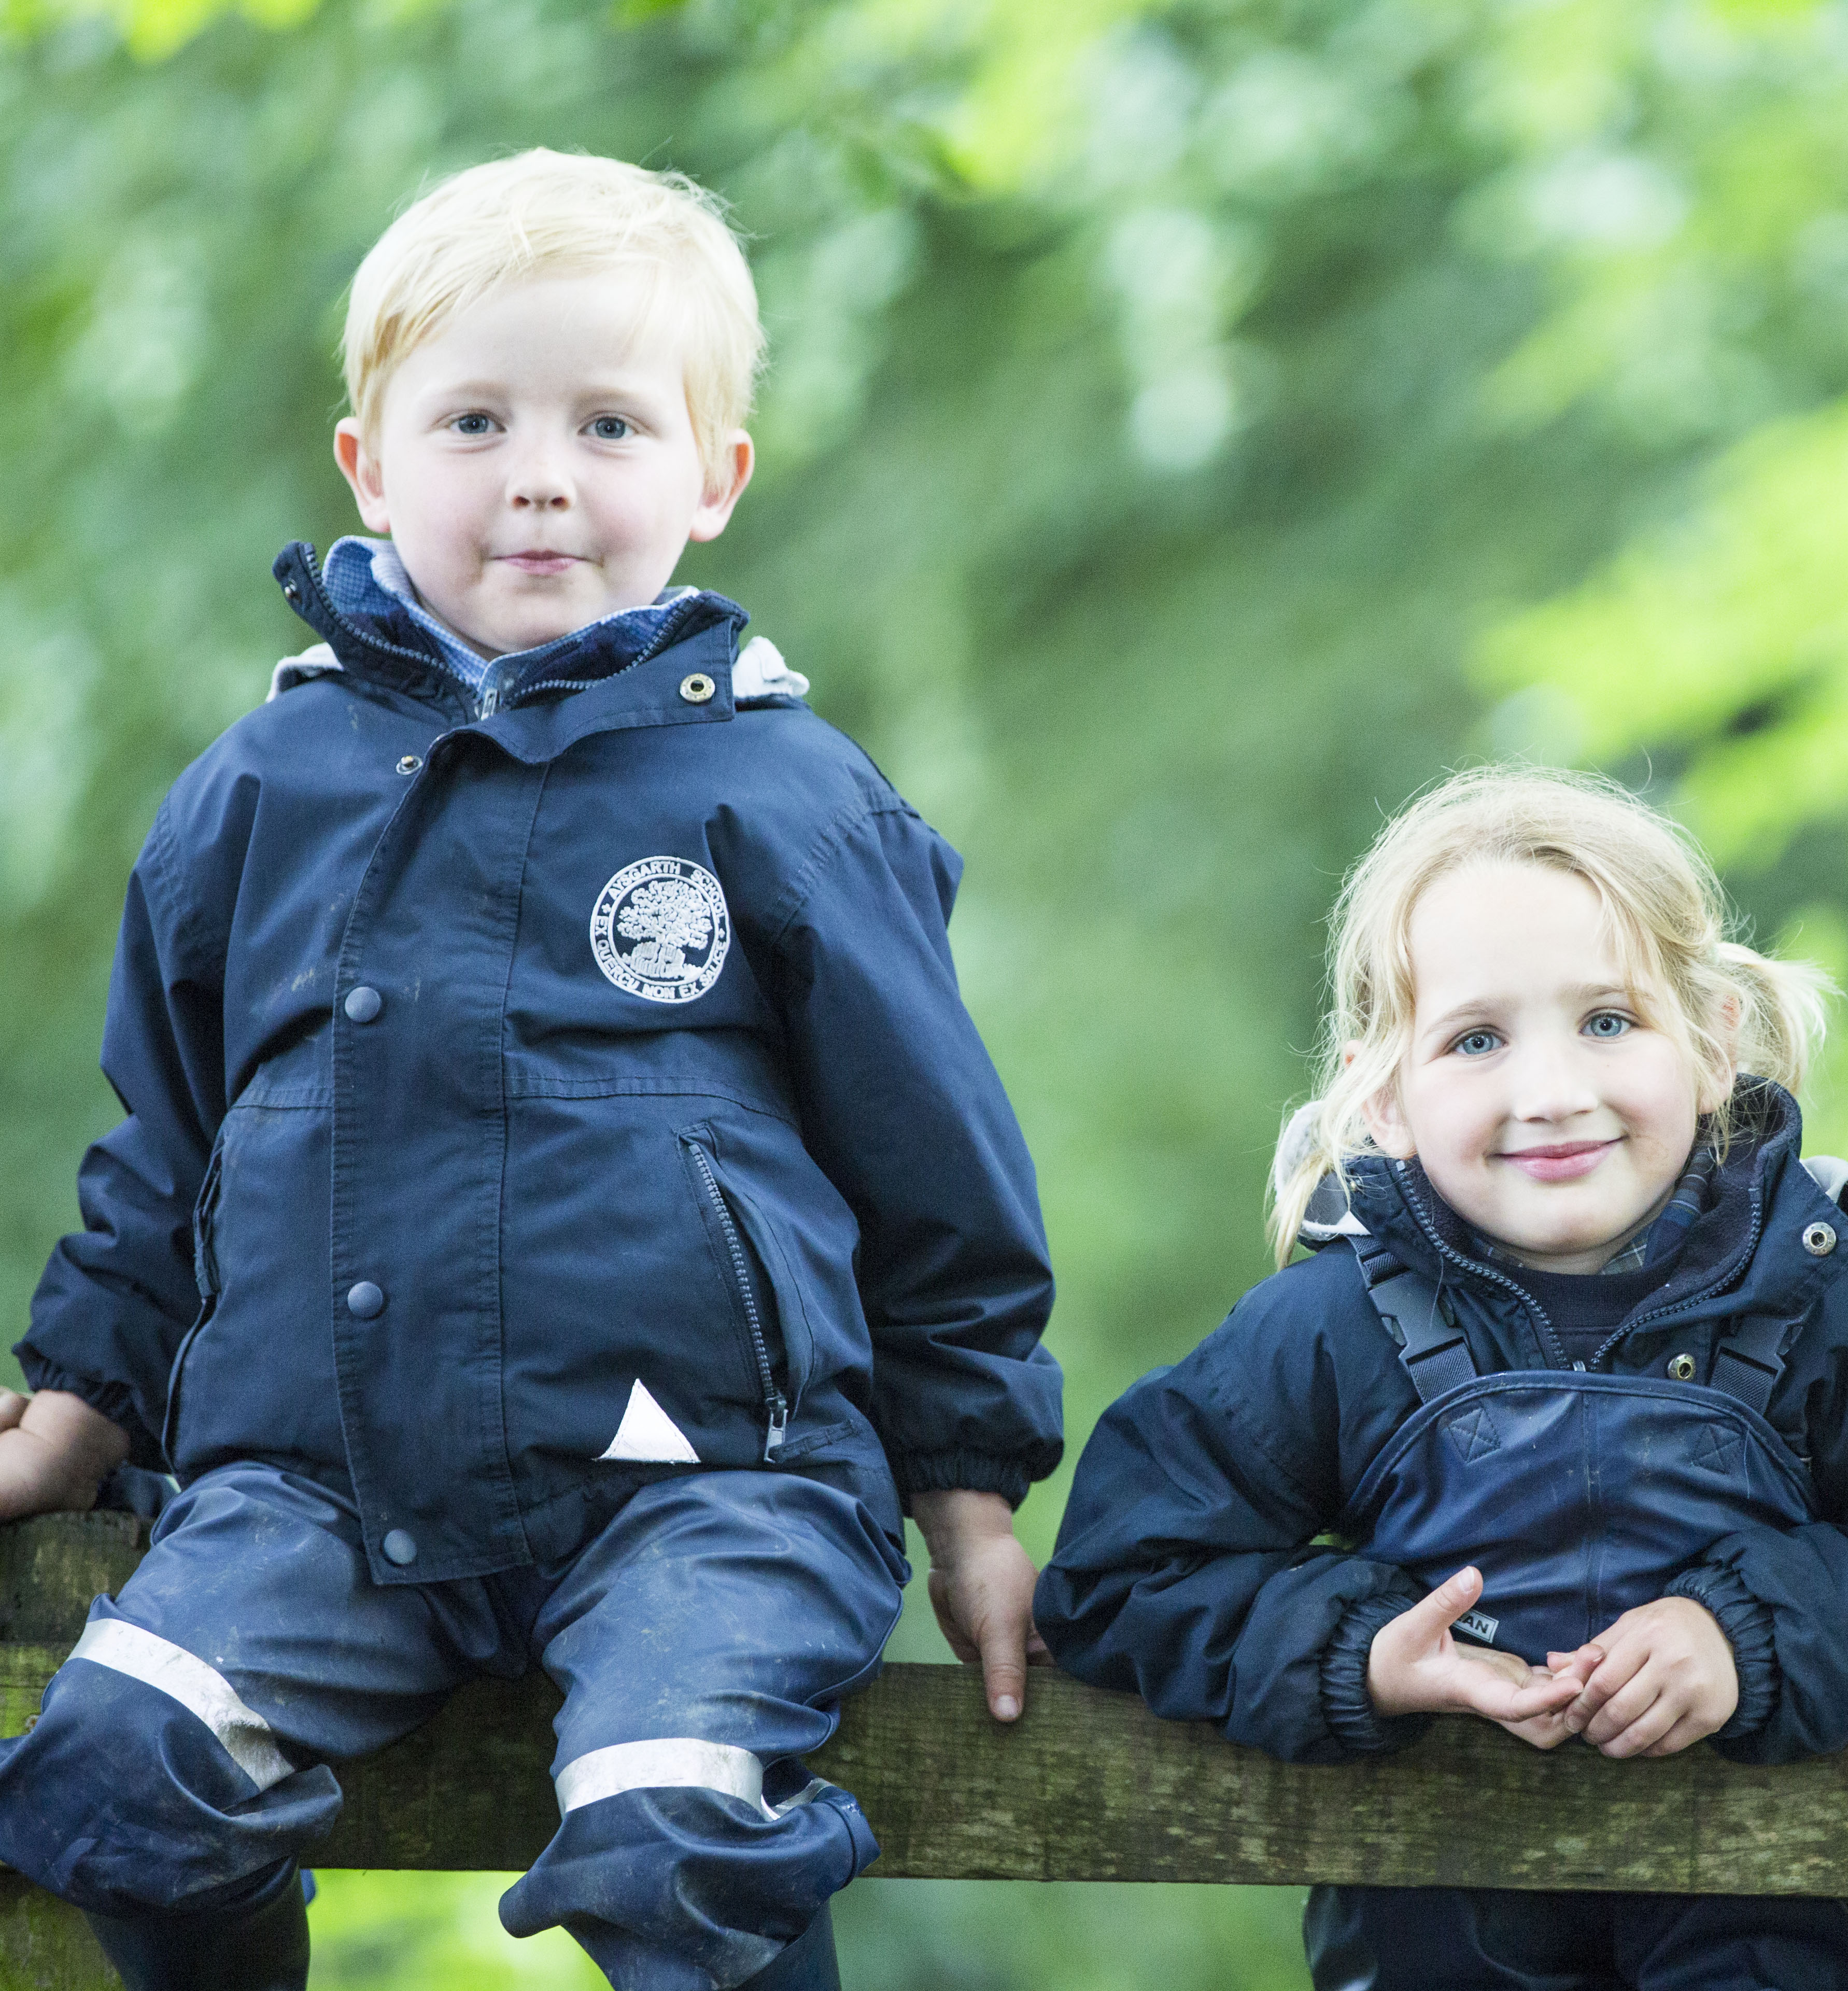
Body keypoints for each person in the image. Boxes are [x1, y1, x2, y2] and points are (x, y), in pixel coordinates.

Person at [0, 150, 1061, 1991]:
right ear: (371, 465)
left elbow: (937, 1173)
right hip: (320, 1493)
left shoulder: (787, 797)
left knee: (672, 1838)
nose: (542, 474)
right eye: (476, 420)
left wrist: (967, 1496)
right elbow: (168, 1144)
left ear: (716, 476)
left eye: (611, 424)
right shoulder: (259, 792)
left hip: (715, 1495)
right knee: (114, 1767)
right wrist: (84, 1399)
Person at [1038, 766, 1848, 1989]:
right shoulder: (1332, 1330)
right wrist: (1361, 1654)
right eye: (1477, 1041)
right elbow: (1124, 1576)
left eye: (1608, 1023)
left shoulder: (1819, 1297)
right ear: (1386, 1096)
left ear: (1713, 1044)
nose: (1554, 1094)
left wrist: (1745, 1637)